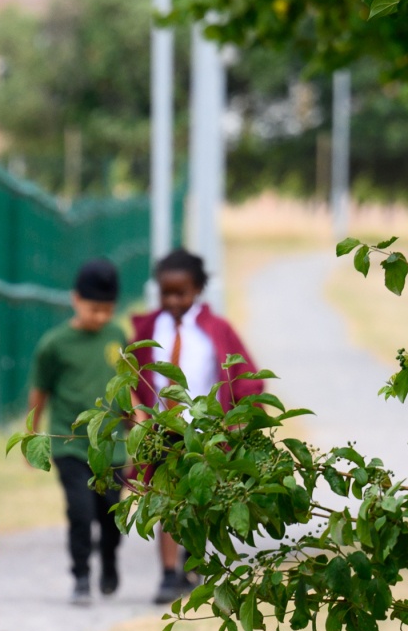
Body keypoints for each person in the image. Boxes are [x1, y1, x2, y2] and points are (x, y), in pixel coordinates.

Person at [130, 248, 264, 604]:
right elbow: (131, 377)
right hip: (163, 430)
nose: (173, 300)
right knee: (166, 500)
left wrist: (240, 422)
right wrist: (139, 416)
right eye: (166, 293)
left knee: (200, 500)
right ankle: (167, 573)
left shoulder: (216, 331)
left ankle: (193, 563)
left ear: (198, 290)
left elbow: (245, 376)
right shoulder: (148, 328)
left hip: (205, 430)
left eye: (181, 293)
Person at [29, 259, 128, 604]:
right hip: (69, 445)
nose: (100, 316)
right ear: (76, 300)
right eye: (93, 308)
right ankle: (82, 576)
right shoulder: (54, 344)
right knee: (80, 512)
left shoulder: (118, 336)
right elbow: (39, 391)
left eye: (107, 309)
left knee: (111, 514)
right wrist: (32, 435)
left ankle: (110, 562)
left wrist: (137, 425)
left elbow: (126, 385)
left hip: (113, 447)